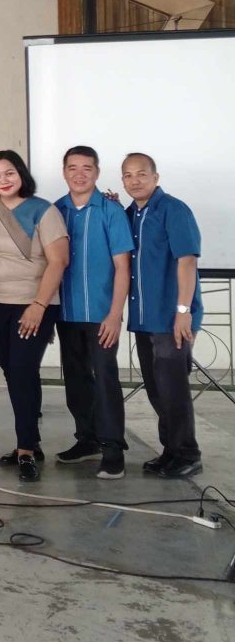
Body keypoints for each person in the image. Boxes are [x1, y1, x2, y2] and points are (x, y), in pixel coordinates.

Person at [0, 150, 69, 482]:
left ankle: (25, 449)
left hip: (34, 305)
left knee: (23, 371)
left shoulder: (46, 210)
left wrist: (39, 306)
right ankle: (30, 442)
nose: (3, 180)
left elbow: (58, 261)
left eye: (9, 173)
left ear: (21, 174)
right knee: (14, 373)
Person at [121, 153, 204, 479]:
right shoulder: (130, 214)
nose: (135, 180)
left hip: (172, 319)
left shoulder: (174, 210)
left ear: (155, 177)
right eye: (128, 175)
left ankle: (188, 454)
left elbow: (187, 261)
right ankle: (170, 451)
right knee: (156, 390)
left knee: (174, 390)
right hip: (144, 318)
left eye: (141, 174)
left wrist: (183, 311)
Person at [54, 146, 134, 480]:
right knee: (75, 379)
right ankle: (87, 440)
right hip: (66, 313)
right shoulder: (55, 211)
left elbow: (122, 266)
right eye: (73, 167)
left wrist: (115, 314)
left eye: (87, 168)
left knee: (105, 381)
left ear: (97, 173)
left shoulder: (111, 211)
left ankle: (113, 448)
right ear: (64, 171)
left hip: (102, 314)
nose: (80, 174)